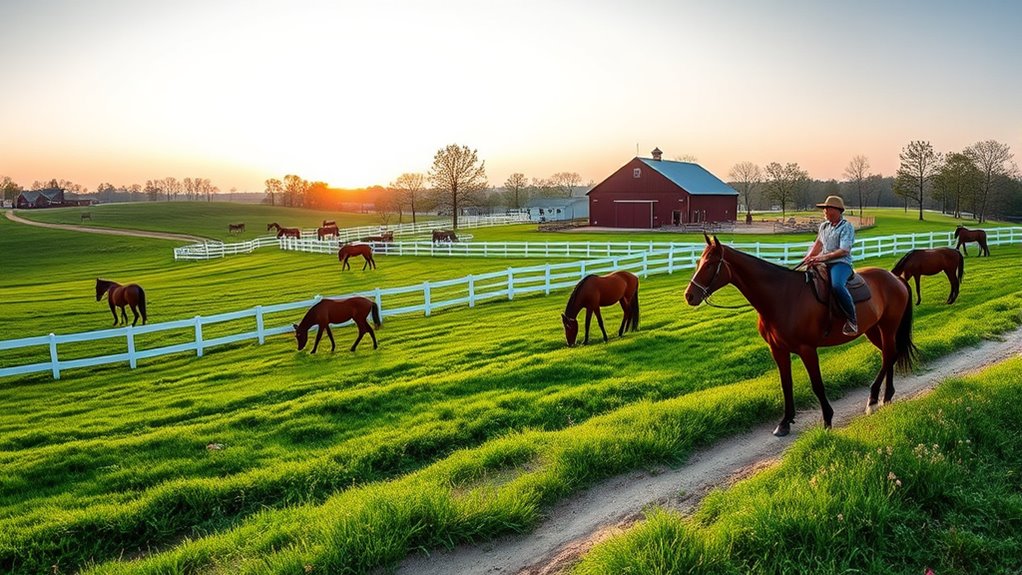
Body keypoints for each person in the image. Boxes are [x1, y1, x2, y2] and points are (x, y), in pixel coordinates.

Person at [801, 195, 857, 336]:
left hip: (841, 264)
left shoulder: (846, 227)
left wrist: (821, 258)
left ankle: (852, 320)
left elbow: (844, 250)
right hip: (823, 262)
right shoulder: (824, 226)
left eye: (827, 209)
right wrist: (808, 258)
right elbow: (819, 244)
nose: (825, 212)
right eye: (824, 209)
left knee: (837, 285)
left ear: (837, 210)